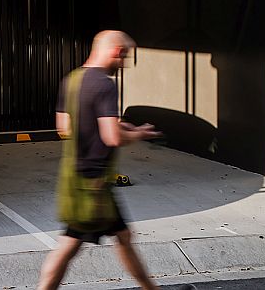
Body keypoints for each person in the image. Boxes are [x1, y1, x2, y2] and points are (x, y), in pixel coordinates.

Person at [37, 30, 190, 290]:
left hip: (75, 178)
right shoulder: (105, 84)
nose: (123, 65)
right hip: (94, 184)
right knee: (73, 244)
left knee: (113, 237)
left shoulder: (72, 80)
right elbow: (111, 138)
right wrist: (138, 134)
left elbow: (64, 127)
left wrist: (118, 126)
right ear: (116, 52)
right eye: (124, 59)